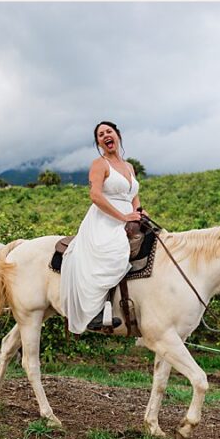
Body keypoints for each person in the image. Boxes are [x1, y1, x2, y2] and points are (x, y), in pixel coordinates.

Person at [60, 121, 145, 334]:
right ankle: (94, 312)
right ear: (99, 142)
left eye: (109, 131)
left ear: (117, 135)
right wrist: (122, 216)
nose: (106, 135)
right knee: (115, 252)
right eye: (100, 134)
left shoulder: (129, 167)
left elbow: (133, 195)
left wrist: (140, 212)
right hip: (104, 219)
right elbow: (95, 195)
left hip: (129, 218)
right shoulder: (99, 164)